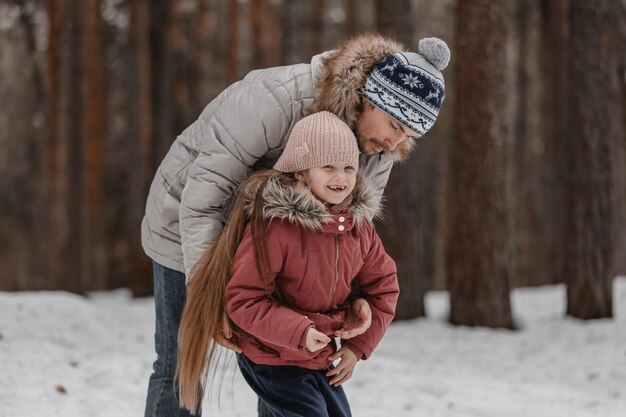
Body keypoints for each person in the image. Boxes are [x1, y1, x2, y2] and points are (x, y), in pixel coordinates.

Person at [141, 32, 450, 417]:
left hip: (282, 245)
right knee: (180, 362)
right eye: (393, 124)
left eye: (408, 134)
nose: (394, 142)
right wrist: (213, 295)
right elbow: (204, 199)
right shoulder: (275, 99)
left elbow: (350, 230)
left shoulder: (377, 145)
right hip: (188, 220)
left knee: (287, 359)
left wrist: (354, 296)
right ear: (371, 96)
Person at [177, 111, 400, 417]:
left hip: (319, 354)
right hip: (271, 356)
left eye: (349, 167)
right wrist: (299, 332)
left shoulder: (358, 228)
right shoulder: (276, 228)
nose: (341, 177)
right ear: (301, 172)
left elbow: (383, 287)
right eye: (328, 167)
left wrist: (357, 346)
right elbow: (244, 299)